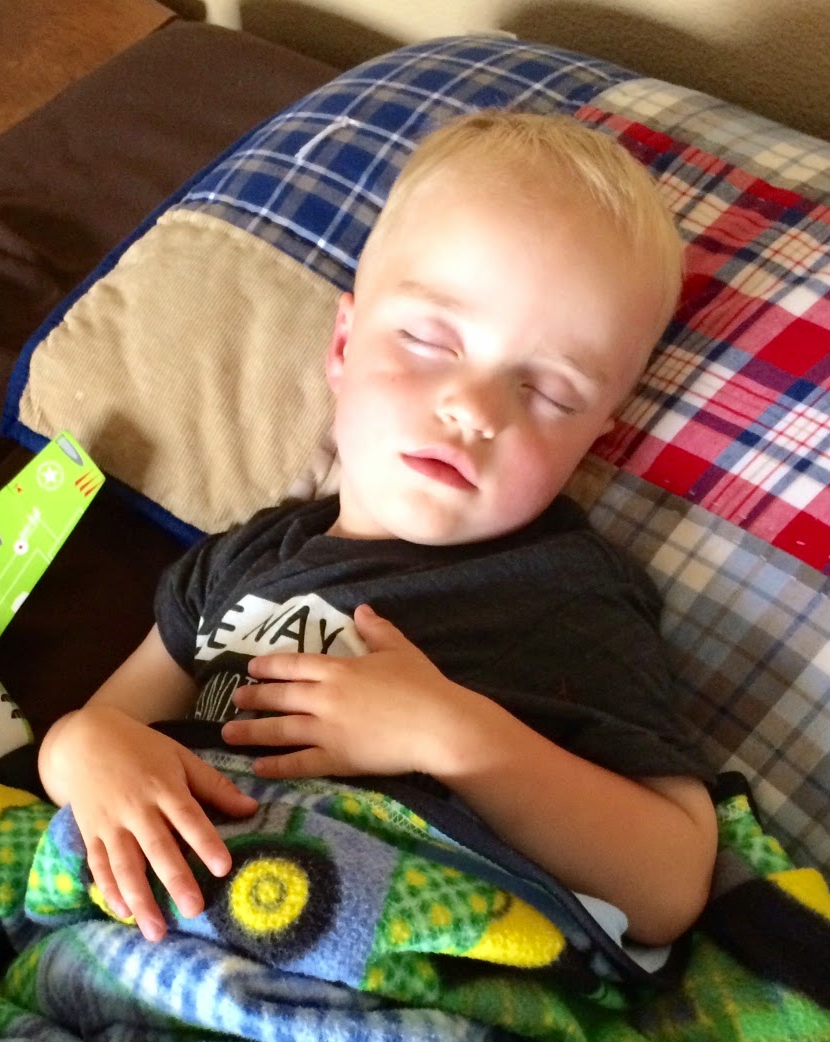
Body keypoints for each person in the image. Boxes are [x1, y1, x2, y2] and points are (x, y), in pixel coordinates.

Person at [39, 111, 718, 952]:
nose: (473, 409)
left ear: (593, 439)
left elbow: (669, 883)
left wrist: (451, 736)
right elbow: (98, 728)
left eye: (548, 392)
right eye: (431, 339)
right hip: (153, 938)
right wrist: (88, 751)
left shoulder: (566, 593)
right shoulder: (241, 560)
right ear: (343, 343)